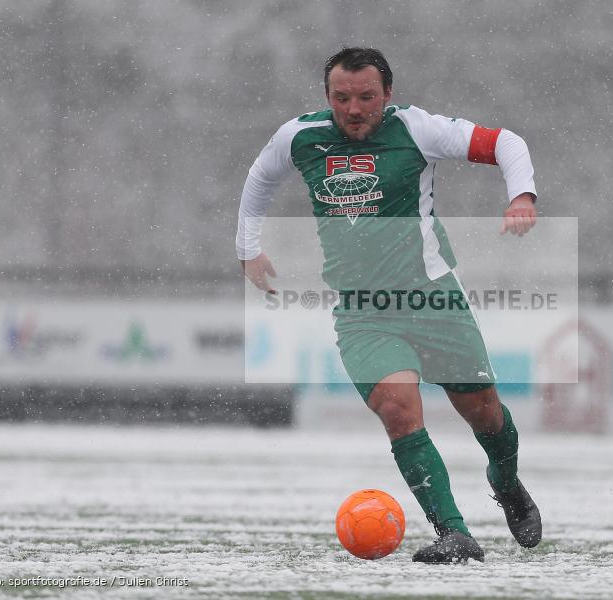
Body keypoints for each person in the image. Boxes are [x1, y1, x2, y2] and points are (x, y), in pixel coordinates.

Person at [236, 47, 542, 562]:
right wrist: (247, 248)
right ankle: (454, 532)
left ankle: (507, 483)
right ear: (328, 96)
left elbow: (506, 142)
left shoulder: (418, 130)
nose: (354, 109)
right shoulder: (300, 136)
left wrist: (522, 196)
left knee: (484, 413)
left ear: (388, 95)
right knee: (400, 411)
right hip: (362, 311)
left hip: (433, 298)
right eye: (341, 97)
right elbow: (260, 179)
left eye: (366, 97)